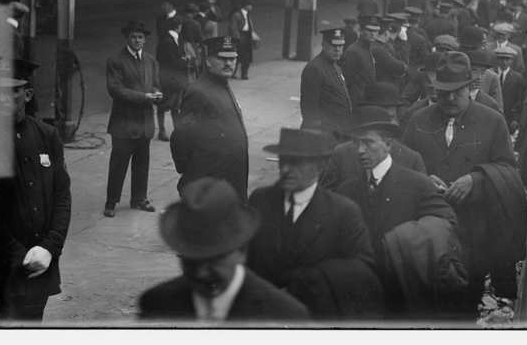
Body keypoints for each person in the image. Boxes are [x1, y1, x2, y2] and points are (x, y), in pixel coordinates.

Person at [402, 53, 527, 313]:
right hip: (427, 231)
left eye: (456, 92)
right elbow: (401, 165)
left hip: (473, 234)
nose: (448, 99)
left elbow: (508, 170)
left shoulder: (492, 121)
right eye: (443, 92)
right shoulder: (418, 120)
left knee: (463, 304)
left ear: (470, 88)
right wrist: (422, 180)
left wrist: (476, 179)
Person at [248, 128, 382, 319]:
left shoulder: (343, 212)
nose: (286, 169)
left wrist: (310, 280)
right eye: (284, 161)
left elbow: (363, 269)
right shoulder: (260, 200)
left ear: (320, 166)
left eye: (296, 163)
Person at [335, 106, 456, 315]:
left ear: (388, 144)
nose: (360, 150)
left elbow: (446, 223)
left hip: (402, 294)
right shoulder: (347, 190)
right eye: (356, 143)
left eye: (368, 142)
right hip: (358, 297)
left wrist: (404, 240)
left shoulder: (418, 185)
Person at [138, 178, 309, 323]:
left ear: (242, 251)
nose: (201, 272)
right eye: (192, 259)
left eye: (214, 259)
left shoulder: (285, 317)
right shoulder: (156, 305)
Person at [0, 58, 72, 322]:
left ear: (27, 94)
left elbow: (61, 196)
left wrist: (50, 247)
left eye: (11, 91)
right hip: (1, 266)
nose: (2, 98)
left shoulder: (46, 135)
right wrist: (18, 255)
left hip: (41, 264)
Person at [171, 36, 249, 199]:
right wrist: (194, 172)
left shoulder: (222, 85)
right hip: (210, 184)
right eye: (222, 59)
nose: (228, 63)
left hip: (230, 181)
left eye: (232, 59)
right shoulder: (198, 91)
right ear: (208, 62)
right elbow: (180, 138)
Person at [104, 21, 162, 218]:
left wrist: (156, 93)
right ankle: (111, 201)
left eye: (141, 37)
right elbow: (115, 89)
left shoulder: (150, 60)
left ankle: (139, 198)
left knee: (142, 163)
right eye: (134, 37)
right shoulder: (116, 60)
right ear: (127, 38)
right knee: (119, 163)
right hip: (124, 123)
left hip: (144, 122)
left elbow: (154, 84)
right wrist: (144, 97)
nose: (137, 40)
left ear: (145, 40)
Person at [320, 83, 426, 190]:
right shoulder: (341, 155)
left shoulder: (412, 159)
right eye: (378, 117)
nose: (388, 124)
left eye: (391, 118)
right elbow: (327, 198)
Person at [299, 28, 353, 135]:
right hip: (324, 133)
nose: (337, 50)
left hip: (339, 130)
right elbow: (309, 108)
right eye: (334, 46)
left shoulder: (336, 66)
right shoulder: (315, 68)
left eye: (341, 46)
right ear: (323, 45)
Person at [156, 16, 189, 141]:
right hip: (168, 77)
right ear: (178, 26)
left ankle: (174, 130)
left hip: (172, 77)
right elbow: (172, 61)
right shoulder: (168, 41)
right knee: (164, 104)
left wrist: (182, 60)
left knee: (174, 104)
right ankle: (163, 131)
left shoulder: (175, 39)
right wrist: (185, 61)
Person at [342, 14, 379, 107]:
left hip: (367, 99)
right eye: (370, 30)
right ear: (361, 31)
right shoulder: (353, 51)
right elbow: (348, 80)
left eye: (376, 31)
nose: (373, 34)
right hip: (357, 101)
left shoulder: (368, 49)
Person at [495, 45, 526, 135]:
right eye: (501, 59)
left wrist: (516, 119)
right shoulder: (491, 75)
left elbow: (520, 100)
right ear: (497, 60)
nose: (504, 62)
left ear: (512, 61)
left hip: (508, 117)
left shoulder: (518, 78)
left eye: (507, 59)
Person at [371, 17, 407, 85]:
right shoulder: (379, 48)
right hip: (383, 83)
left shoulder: (377, 45)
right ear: (386, 33)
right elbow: (397, 66)